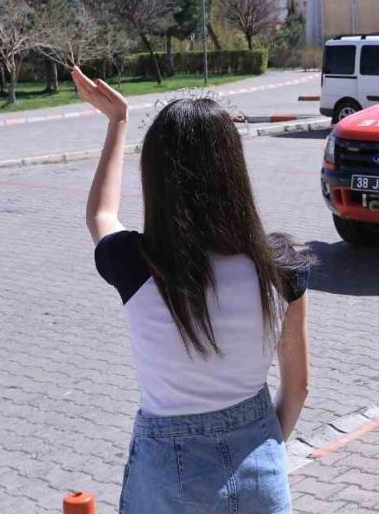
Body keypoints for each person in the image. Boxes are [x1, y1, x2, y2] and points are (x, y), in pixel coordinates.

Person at [72, 67, 310, 514]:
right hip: (260, 469)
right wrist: (263, 449)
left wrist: (118, 121)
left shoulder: (137, 266)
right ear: (233, 171)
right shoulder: (281, 267)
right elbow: (296, 388)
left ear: (157, 179)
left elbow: (100, 215)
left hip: (166, 478)